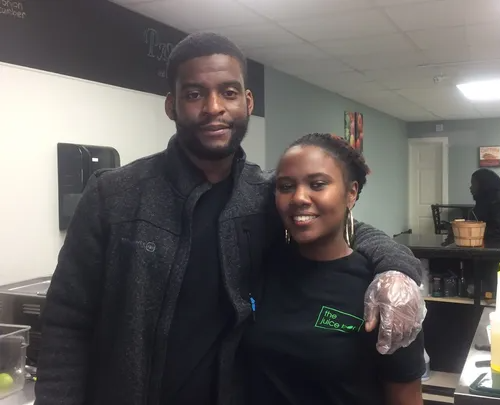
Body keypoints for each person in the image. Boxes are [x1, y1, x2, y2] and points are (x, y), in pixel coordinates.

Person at [35, 33, 424, 405]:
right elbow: (66, 321)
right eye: (194, 94)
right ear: (171, 105)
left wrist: (397, 270)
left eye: (229, 92)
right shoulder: (114, 195)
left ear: (248, 102)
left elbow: (349, 228)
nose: (213, 108)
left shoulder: (268, 194)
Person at [242, 133, 424, 405]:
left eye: (317, 184)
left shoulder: (383, 293)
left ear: (351, 193)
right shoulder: (262, 267)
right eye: (286, 186)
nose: (299, 197)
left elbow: (404, 399)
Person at [470, 168, 500, 241]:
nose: (470, 187)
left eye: (473, 184)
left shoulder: (498, 205)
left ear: (483, 185)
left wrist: (473, 231)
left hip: (496, 248)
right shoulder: (484, 201)